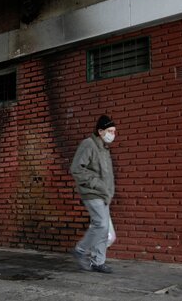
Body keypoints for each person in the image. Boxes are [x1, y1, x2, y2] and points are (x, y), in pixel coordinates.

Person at [70, 115, 116, 274]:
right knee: (101, 225)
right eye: (110, 131)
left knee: (104, 230)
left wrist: (108, 192)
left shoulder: (104, 148)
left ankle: (98, 262)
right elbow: (76, 169)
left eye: (114, 131)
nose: (113, 134)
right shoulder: (88, 144)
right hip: (92, 193)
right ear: (100, 131)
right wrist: (97, 184)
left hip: (103, 195)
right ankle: (80, 250)